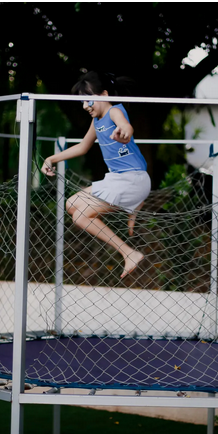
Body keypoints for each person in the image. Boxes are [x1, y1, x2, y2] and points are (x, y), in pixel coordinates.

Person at [41, 71, 150, 279]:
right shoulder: (97, 121)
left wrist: (124, 132)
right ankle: (134, 205)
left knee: (81, 216)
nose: (85, 106)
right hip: (118, 179)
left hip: (133, 181)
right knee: (71, 205)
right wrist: (51, 159)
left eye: (88, 99)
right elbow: (83, 146)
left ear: (104, 95)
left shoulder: (115, 111)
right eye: (82, 101)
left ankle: (129, 253)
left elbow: (125, 126)